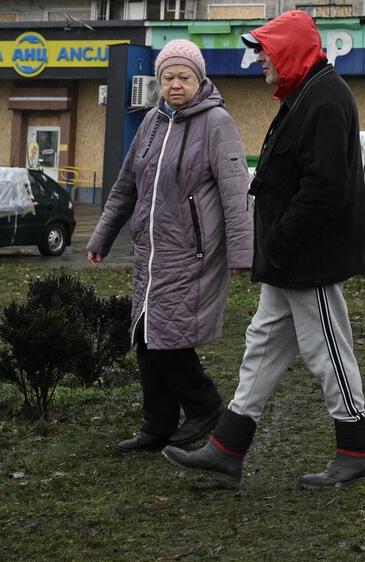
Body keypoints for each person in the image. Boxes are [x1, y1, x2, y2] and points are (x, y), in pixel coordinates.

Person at [165, 10, 365, 489]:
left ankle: (357, 449)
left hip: (308, 259)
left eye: (265, 50)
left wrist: (278, 239)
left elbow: (323, 188)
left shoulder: (323, 98)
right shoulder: (308, 94)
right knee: (261, 345)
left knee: (328, 351)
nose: (258, 59)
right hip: (291, 258)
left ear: (289, 52)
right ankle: (226, 448)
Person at [87, 39, 253, 454]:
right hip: (150, 251)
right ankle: (156, 425)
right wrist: (102, 237)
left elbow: (237, 192)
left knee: (169, 336)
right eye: (168, 78)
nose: (175, 85)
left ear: (199, 80)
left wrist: (242, 253)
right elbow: (126, 185)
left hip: (193, 251)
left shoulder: (217, 122)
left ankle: (206, 405)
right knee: (145, 334)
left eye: (184, 77)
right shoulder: (151, 123)